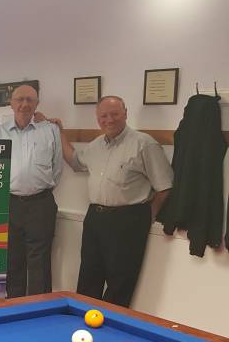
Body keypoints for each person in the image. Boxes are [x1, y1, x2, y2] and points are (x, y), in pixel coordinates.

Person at [60, 96, 173, 307]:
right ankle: (83, 323)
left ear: (125, 114)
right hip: (95, 217)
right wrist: (61, 134)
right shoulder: (95, 146)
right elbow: (75, 162)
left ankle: (111, 330)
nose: (109, 120)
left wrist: (148, 215)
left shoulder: (144, 144)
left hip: (128, 220)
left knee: (120, 283)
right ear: (97, 118)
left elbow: (164, 186)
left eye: (114, 114)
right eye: (103, 115)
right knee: (88, 277)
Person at [0, 85, 62, 299]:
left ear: (37, 104)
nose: (24, 104)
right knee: (13, 261)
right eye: (19, 99)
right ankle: (14, 308)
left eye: (30, 100)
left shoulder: (50, 130)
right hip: (9, 203)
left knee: (40, 262)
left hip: (41, 203)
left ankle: (41, 310)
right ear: (11, 103)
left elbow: (57, 169)